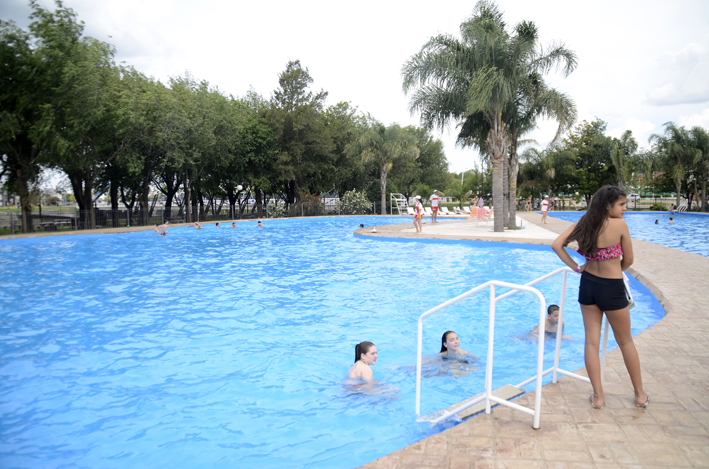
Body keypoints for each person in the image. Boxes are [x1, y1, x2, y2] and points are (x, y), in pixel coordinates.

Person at [551, 185, 648, 410]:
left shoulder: (585, 222)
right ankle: (640, 395)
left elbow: (557, 245)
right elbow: (629, 260)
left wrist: (577, 268)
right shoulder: (620, 225)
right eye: (622, 204)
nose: (625, 209)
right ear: (608, 205)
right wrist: (616, 270)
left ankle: (598, 397)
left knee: (591, 342)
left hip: (589, 286)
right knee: (625, 342)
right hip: (612, 287)